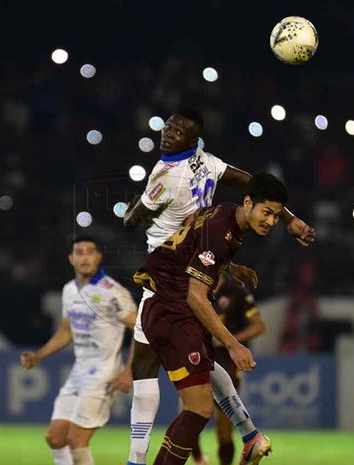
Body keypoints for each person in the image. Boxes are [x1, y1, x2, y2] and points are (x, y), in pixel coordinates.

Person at [123, 109, 315, 465]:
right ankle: (249, 434)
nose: (169, 133)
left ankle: (140, 459)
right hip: (178, 284)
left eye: (178, 130)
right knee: (194, 386)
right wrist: (291, 220)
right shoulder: (207, 165)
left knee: (151, 373)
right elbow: (247, 182)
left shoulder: (166, 177)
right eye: (169, 126)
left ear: (192, 139)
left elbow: (132, 222)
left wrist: (129, 212)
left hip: (172, 284)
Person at [133, 172, 290, 465]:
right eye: (266, 212)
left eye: (277, 217)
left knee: (211, 373)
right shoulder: (222, 232)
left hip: (174, 306)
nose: (270, 221)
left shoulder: (227, 212)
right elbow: (196, 296)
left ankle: (250, 435)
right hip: (173, 310)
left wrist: (228, 266)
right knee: (199, 409)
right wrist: (234, 344)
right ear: (248, 202)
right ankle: (249, 435)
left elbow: (194, 235)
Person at [21, 236, 138, 465]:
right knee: (55, 438)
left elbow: (141, 329)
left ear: (98, 257)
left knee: (77, 440)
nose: (85, 257)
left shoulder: (113, 292)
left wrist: (129, 371)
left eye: (90, 252)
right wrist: (38, 356)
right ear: (71, 259)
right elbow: (67, 331)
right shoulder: (69, 291)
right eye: (80, 252)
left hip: (104, 375)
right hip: (78, 374)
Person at [196, 274, 266, 465]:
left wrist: (231, 341)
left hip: (227, 362)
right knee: (191, 415)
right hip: (196, 356)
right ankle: (199, 458)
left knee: (223, 433)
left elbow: (260, 326)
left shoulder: (236, 291)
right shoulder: (195, 284)